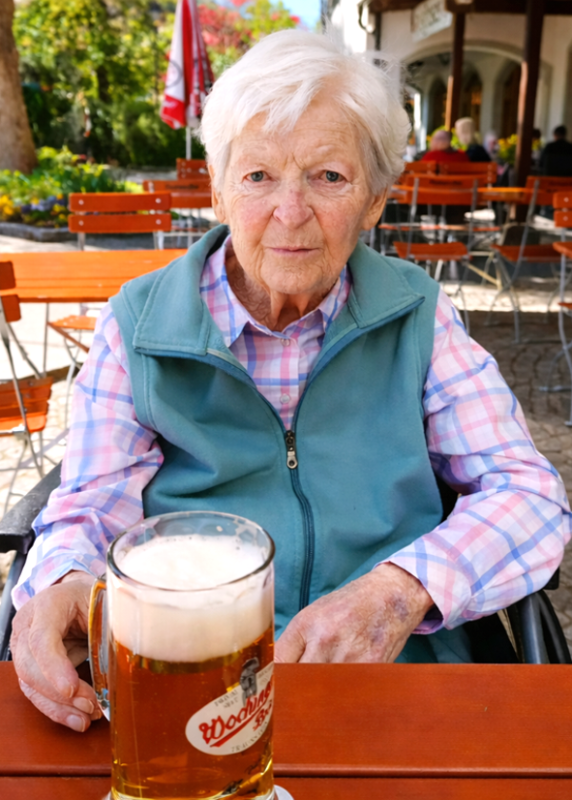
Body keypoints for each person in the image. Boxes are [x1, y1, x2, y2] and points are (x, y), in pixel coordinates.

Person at [10, 30, 570, 733]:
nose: (291, 211)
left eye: (328, 176)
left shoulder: (419, 315)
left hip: (398, 667)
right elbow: (90, 504)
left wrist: (400, 591)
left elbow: (529, 494)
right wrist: (64, 581)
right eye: (258, 176)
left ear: (374, 200)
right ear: (217, 191)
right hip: (190, 675)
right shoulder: (138, 327)